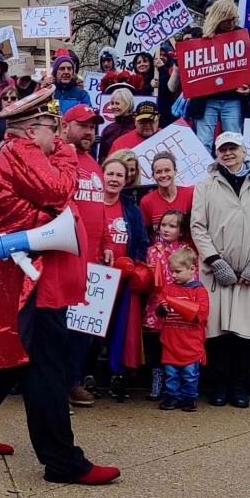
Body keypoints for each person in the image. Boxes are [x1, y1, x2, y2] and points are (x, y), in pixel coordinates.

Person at [0, 85, 120, 486]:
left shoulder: (6, 153)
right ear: (30, 130)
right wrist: (65, 153)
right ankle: (62, 460)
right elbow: (61, 189)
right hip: (32, 280)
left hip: (16, 275)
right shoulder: (24, 152)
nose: (56, 134)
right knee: (47, 367)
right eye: (50, 126)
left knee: (3, 355)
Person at [190, 131, 250, 408]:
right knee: (217, 332)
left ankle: (240, 386)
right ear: (217, 153)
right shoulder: (205, 185)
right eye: (223, 149)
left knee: (246, 332)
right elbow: (198, 227)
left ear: (244, 151)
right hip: (218, 271)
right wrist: (215, 260)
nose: (228, 154)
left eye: (233, 149)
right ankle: (219, 385)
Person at [61, 104, 114, 408]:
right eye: (83, 125)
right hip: (67, 258)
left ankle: (72, 381)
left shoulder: (94, 165)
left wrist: (106, 241)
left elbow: (102, 209)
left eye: (93, 127)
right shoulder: (59, 159)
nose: (89, 132)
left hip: (92, 261)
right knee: (63, 329)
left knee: (83, 330)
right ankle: (59, 383)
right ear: (65, 127)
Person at [101, 157, 149, 402]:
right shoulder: (91, 204)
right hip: (95, 282)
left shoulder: (131, 209)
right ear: (102, 175)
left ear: (126, 180)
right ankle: (83, 375)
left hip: (123, 284)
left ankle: (117, 377)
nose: (114, 179)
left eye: (119, 175)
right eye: (110, 173)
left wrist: (133, 265)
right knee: (89, 334)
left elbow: (142, 243)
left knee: (118, 333)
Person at [143, 210, 197, 401]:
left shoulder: (187, 252)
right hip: (155, 305)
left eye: (172, 226)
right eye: (163, 225)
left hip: (178, 307)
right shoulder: (151, 251)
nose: (166, 229)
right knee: (156, 346)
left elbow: (193, 279)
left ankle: (177, 385)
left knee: (175, 345)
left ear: (181, 231)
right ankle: (157, 382)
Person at [186, 0, 250, 152]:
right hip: (206, 100)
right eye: (227, 21)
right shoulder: (200, 39)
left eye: (233, 19)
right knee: (203, 142)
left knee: (235, 141)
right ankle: (203, 175)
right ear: (217, 19)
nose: (231, 24)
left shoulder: (241, 35)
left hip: (232, 98)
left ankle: (235, 174)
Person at [152, 246, 209, 412]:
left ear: (192, 269)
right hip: (171, 342)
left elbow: (202, 314)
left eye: (177, 271)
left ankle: (189, 398)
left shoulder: (199, 291)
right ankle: (172, 397)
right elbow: (159, 308)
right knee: (171, 374)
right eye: (172, 272)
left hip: (190, 343)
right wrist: (161, 309)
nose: (174, 275)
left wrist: (182, 306)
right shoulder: (169, 288)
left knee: (190, 374)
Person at [139, 152, 195, 234]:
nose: (163, 175)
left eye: (167, 170)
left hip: (187, 246)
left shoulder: (190, 195)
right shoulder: (146, 201)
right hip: (159, 246)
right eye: (158, 172)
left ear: (175, 171)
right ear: (153, 175)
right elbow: (144, 233)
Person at [97, 88, 136, 163]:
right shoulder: (108, 129)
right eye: (112, 103)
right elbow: (102, 158)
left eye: (117, 103)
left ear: (127, 103)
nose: (113, 107)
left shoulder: (137, 127)